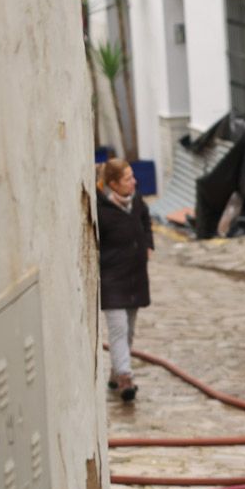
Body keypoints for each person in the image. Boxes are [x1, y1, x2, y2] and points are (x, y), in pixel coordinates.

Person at [97, 158, 153, 402]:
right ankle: (125, 377)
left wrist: (148, 244)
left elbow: (145, 220)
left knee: (128, 330)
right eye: (128, 178)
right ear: (113, 184)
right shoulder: (101, 210)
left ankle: (115, 372)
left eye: (132, 176)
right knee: (118, 330)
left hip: (135, 277)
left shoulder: (136, 200)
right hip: (112, 279)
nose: (134, 181)